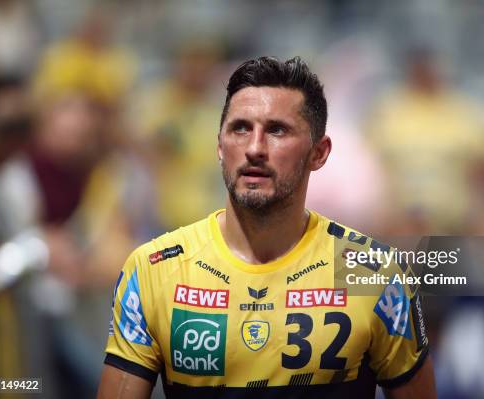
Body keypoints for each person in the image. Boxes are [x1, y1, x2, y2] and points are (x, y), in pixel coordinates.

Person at [97, 56, 436, 399]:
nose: (255, 148)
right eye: (240, 128)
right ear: (219, 146)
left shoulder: (374, 273)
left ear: (319, 153)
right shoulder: (155, 270)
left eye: (277, 130)